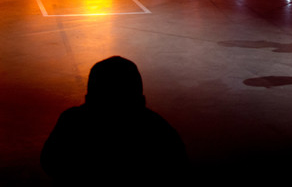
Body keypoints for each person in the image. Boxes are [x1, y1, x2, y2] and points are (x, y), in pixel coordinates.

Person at [41, 56, 188, 184]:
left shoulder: (72, 121)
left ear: (90, 96)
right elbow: (178, 166)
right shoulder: (157, 129)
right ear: (139, 97)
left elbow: (49, 162)